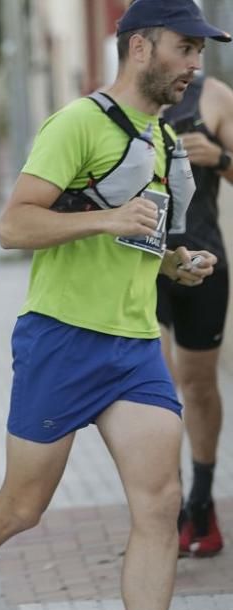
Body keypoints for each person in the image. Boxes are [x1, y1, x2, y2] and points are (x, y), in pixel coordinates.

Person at [0, 3, 228, 610]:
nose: (196, 64)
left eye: (200, 51)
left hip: (134, 346)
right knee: (22, 505)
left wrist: (175, 263)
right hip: (61, 338)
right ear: (140, 46)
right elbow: (17, 226)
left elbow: (141, 235)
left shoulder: (161, 139)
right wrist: (105, 223)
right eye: (185, 48)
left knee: (159, 503)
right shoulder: (78, 123)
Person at [159, 72, 233, 557]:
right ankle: (167, 510)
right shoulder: (120, 102)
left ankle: (201, 502)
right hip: (141, 262)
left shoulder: (215, 97)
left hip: (204, 260)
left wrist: (220, 158)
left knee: (198, 385)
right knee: (156, 391)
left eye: (193, 49)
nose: (187, 57)